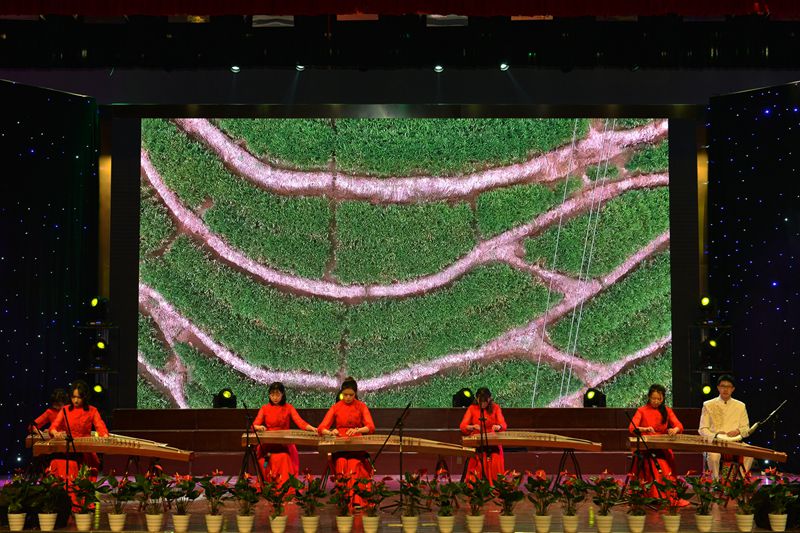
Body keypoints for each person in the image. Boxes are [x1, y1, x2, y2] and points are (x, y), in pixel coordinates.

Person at [317, 377, 375, 505]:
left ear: (355, 393)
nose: (348, 398)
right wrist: (331, 432)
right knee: (341, 462)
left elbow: (371, 427)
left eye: (351, 395)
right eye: (345, 395)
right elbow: (321, 428)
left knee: (353, 464)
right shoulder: (336, 407)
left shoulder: (361, 406)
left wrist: (358, 430)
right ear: (341, 393)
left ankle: (356, 500)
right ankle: (344, 500)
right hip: (340, 446)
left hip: (356, 446)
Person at [251, 382, 317, 486]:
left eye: (277, 394)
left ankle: (284, 486)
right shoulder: (265, 408)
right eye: (272, 395)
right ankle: (268, 484)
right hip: (268, 444)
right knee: (264, 460)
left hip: (284, 444)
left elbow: (300, 422)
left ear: (283, 394)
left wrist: (311, 428)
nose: (275, 397)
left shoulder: (288, 407)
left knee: (284, 457)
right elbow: (254, 425)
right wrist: (258, 427)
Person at [629, 384, 685, 500]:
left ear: (663, 398)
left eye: (659, 399)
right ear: (649, 397)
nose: (656, 401)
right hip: (646, 447)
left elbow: (679, 425)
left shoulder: (667, 411)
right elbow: (632, 428)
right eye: (653, 398)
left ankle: (664, 494)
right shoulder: (641, 410)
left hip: (662, 447)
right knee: (655, 465)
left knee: (663, 466)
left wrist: (674, 430)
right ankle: (652, 494)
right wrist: (645, 429)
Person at [48, 380, 109, 481]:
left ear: (85, 397)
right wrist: (54, 432)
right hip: (69, 449)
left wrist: (105, 436)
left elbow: (100, 426)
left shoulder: (92, 410)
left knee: (85, 474)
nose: (75, 400)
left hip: (85, 449)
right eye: (73, 397)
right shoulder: (65, 409)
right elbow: (54, 426)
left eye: (79, 397)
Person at [698, 374, 752, 479]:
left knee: (749, 454)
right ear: (718, 387)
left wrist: (738, 431)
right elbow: (702, 429)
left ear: (733, 389)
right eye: (723, 386)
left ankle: (738, 481)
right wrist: (716, 435)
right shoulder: (708, 405)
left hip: (735, 442)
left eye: (728, 387)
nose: (725, 389)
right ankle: (715, 482)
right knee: (714, 456)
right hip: (715, 442)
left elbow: (746, 429)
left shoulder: (740, 406)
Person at [459, 387, 507, 484]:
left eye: (485, 401)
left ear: (489, 399)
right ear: (477, 399)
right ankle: (476, 485)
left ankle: (494, 485)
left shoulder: (495, 408)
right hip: (477, 442)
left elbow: (503, 425)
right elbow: (463, 426)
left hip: (492, 442)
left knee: (495, 458)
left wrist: (498, 427)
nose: (483, 404)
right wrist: (473, 427)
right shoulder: (472, 408)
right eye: (480, 401)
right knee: (476, 459)